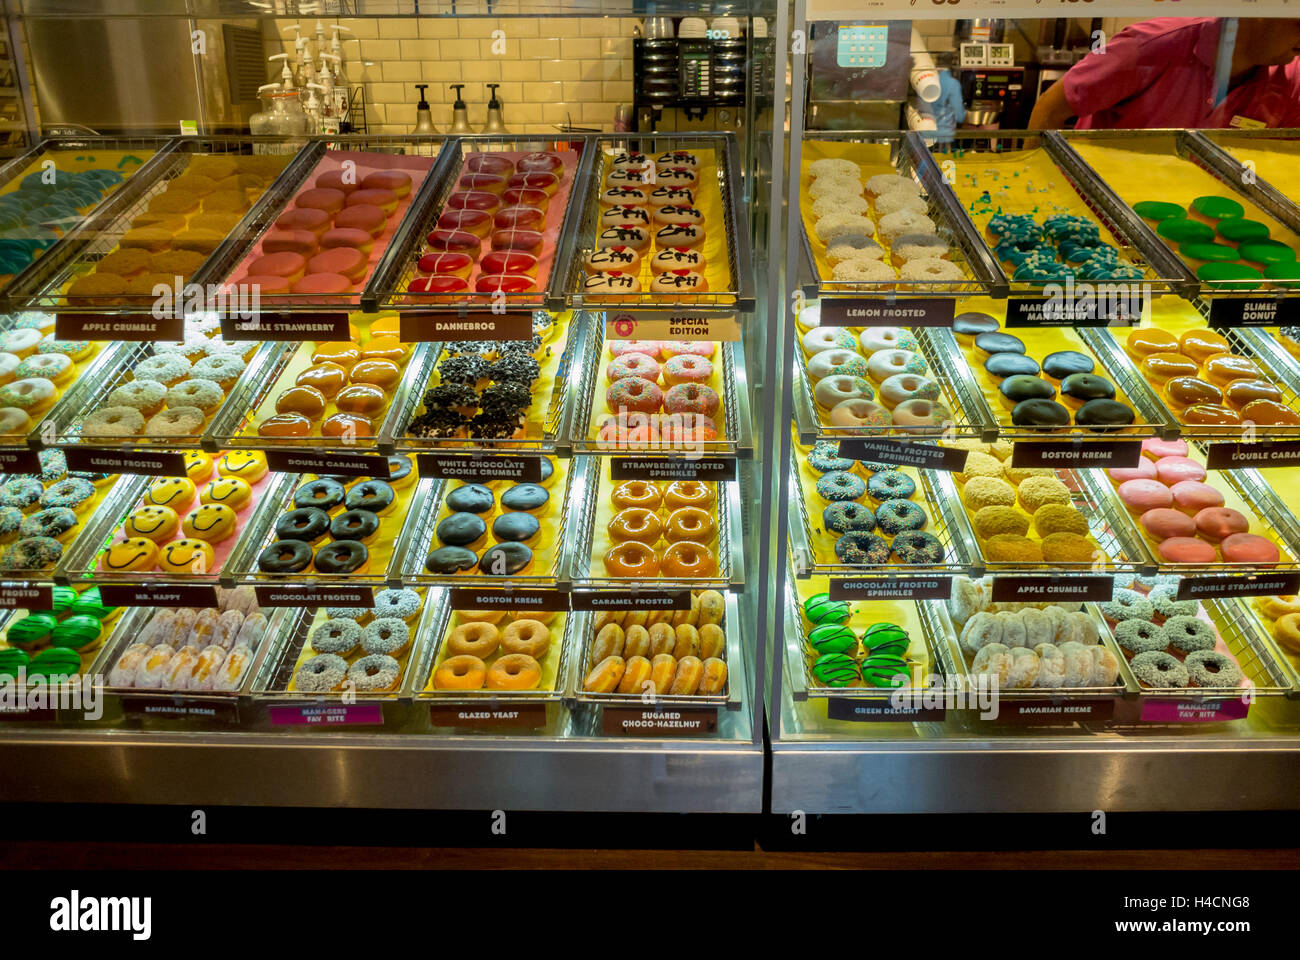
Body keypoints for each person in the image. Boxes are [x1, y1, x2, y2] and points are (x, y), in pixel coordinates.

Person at [1029, 17, 1300, 130]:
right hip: (1100, 220)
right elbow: (1050, 109)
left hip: (1203, 232)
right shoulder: (1150, 46)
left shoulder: (1291, 78)